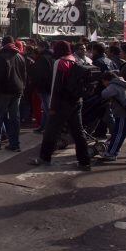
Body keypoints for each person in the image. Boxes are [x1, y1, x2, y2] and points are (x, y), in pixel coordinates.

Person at [30, 41, 92, 170]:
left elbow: (55, 86)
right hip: (75, 100)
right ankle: (84, 161)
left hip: (61, 103)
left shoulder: (60, 62)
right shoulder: (75, 60)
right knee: (78, 132)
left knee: (50, 132)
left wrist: (52, 107)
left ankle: (44, 157)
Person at [0, 36, 26, 151]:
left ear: (3, 44)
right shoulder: (20, 56)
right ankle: (15, 144)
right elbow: (24, 75)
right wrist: (22, 88)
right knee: (15, 118)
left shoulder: (1, 57)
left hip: (4, 92)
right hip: (18, 90)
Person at [96, 71, 126, 164]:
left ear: (107, 80)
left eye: (103, 82)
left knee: (118, 134)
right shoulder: (121, 83)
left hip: (123, 115)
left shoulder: (113, 85)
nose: (103, 84)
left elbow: (104, 94)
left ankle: (111, 153)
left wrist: (104, 87)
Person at [31, 41, 55, 133]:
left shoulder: (42, 58)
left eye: (39, 47)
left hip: (44, 87)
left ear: (43, 47)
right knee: (45, 108)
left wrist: (37, 85)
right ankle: (43, 126)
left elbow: (40, 74)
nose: (37, 48)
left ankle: (49, 128)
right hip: (50, 86)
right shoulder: (53, 56)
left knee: (46, 108)